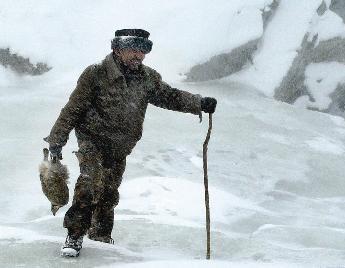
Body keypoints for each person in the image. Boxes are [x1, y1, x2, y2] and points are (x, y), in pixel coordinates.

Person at [45, 29, 217, 257]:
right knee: (89, 184)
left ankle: (101, 237)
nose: (138, 55)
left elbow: (170, 96)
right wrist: (57, 141)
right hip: (93, 141)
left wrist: (199, 103)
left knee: (108, 194)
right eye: (133, 50)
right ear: (117, 49)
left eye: (143, 50)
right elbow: (73, 109)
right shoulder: (95, 74)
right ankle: (75, 235)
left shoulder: (147, 78)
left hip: (120, 146)